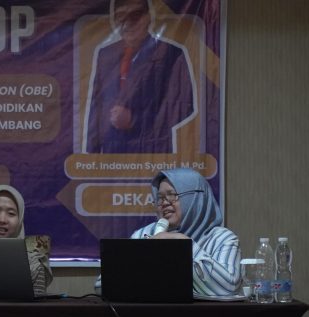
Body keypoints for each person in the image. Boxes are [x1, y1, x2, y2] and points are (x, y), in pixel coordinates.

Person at [97, 168, 240, 297]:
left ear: (195, 199)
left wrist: (184, 245)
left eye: (172, 195)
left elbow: (228, 288)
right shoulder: (144, 234)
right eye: (160, 198)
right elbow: (102, 286)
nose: (164, 203)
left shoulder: (222, 239)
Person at [84, 0, 194, 153]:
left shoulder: (170, 53)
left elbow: (184, 105)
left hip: (151, 150)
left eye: (135, 15)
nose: (128, 23)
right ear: (114, 20)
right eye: (121, 17)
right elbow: (96, 104)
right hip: (112, 152)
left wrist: (134, 120)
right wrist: (92, 152)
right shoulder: (105, 54)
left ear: (148, 17)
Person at [0, 185, 53, 295]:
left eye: (11, 213)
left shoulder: (33, 265)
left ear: (20, 220)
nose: (2, 220)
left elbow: (37, 305)